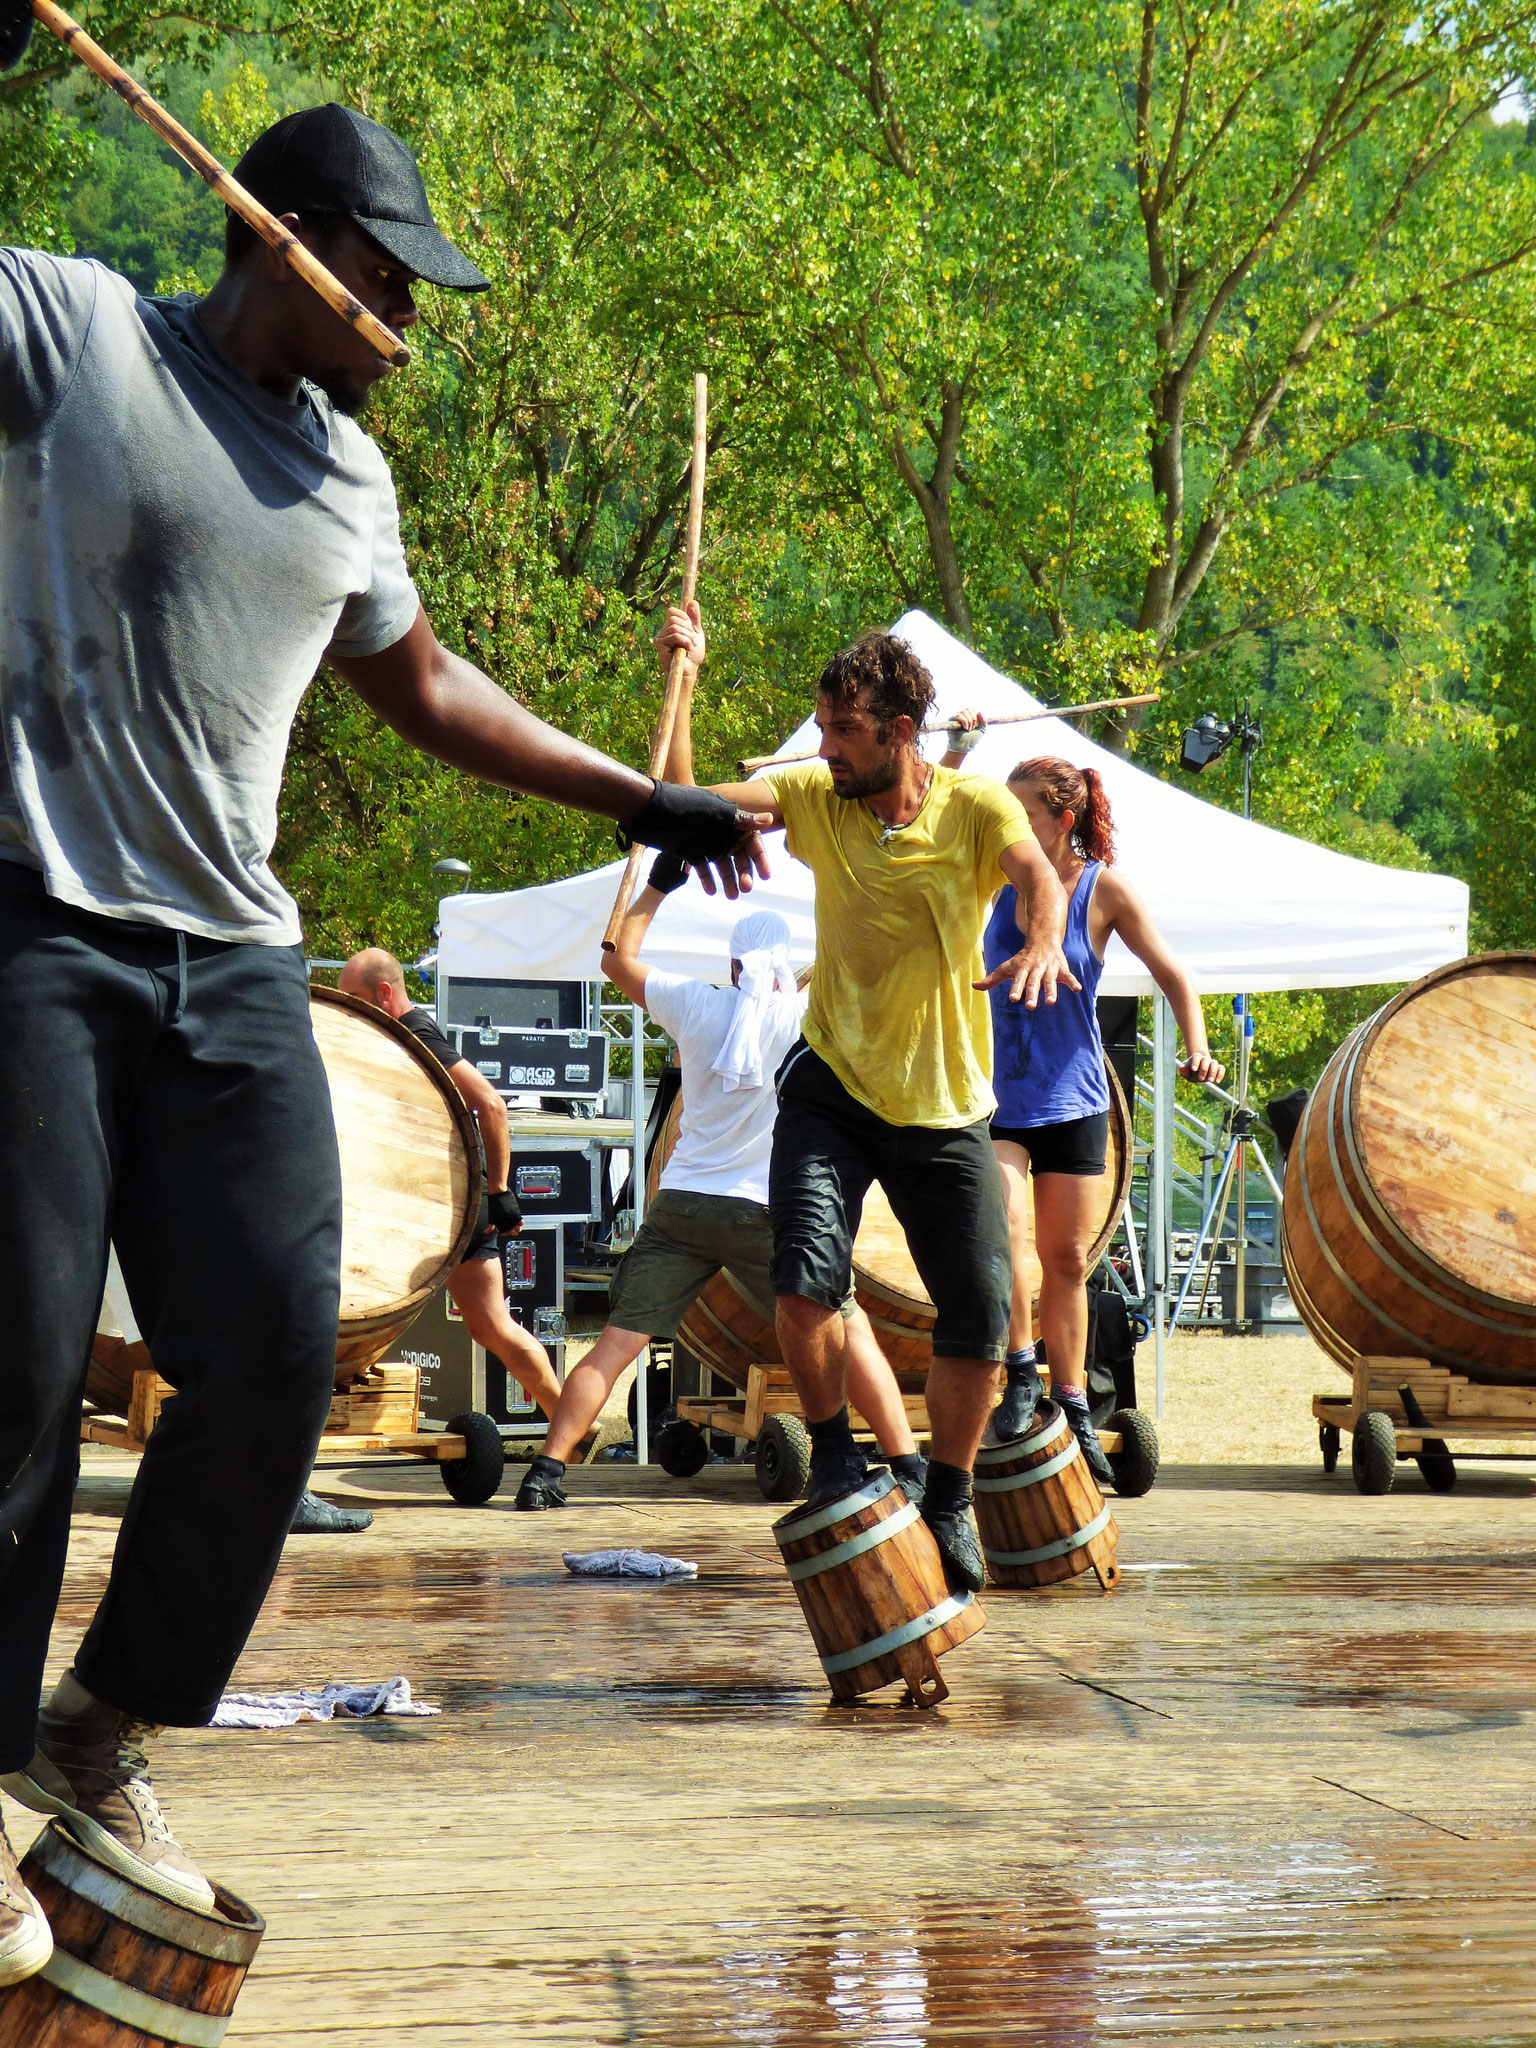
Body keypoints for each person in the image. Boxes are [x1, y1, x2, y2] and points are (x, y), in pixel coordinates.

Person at [0, 88, 769, 1983]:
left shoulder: (348, 474)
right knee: (11, 1374)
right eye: (376, 273)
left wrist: (630, 795)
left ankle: (98, 1725)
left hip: (235, 964)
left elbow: (418, 679)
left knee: (273, 1355)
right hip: (33, 928)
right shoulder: (76, 332)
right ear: (274, 235)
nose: (399, 316)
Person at [652, 604, 1077, 1595]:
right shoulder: (816, 795)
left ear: (897, 732)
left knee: (974, 1314)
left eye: (842, 730)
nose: (824, 748)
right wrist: (683, 676)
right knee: (804, 1278)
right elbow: (677, 798)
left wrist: (1047, 935)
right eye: (822, 728)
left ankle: (953, 1494)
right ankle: (840, 1449)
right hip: (833, 1084)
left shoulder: (974, 808)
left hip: (944, 1104)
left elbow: (1033, 876)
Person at [515, 871, 925, 1511]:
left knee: (617, 1342)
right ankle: (907, 1462)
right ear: (784, 964)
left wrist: (657, 885)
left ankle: (545, 1471)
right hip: (768, 1209)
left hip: (683, 1204)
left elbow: (614, 958)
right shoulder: (809, 1018)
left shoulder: (694, 1004)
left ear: (733, 963)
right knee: (850, 1326)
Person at [942, 721, 1225, 1481]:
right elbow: (929, 819)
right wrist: (958, 752)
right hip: (997, 1098)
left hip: (1074, 1101)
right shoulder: (996, 878)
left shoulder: (1105, 890)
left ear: (1061, 819)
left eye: (1023, 814)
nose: (1009, 826)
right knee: (1004, 1237)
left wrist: (1195, 1043)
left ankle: (1070, 1400)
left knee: (1066, 1260)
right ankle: (1021, 1371)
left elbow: (1174, 974)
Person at [338, 944, 567, 1426]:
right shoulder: (389, 1043)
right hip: (436, 1207)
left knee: (485, 1326)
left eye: (355, 998)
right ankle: (571, 1427)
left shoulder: (417, 1035)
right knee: (491, 1328)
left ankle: (571, 1427)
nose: (350, 1011)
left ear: (383, 993)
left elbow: (491, 1103)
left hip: (446, 1209)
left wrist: (500, 1191)